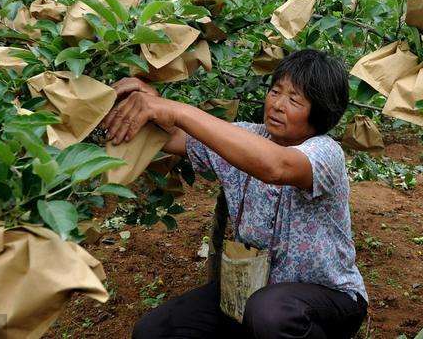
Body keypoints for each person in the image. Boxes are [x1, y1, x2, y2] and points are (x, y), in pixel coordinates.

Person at [103, 49, 368, 339]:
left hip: (326, 302)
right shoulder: (246, 137)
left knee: (271, 313)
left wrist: (174, 108)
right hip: (250, 287)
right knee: (152, 332)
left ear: (320, 111)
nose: (278, 105)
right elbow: (175, 136)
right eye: (275, 91)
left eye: (294, 99)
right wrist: (143, 104)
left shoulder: (326, 152)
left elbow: (277, 166)